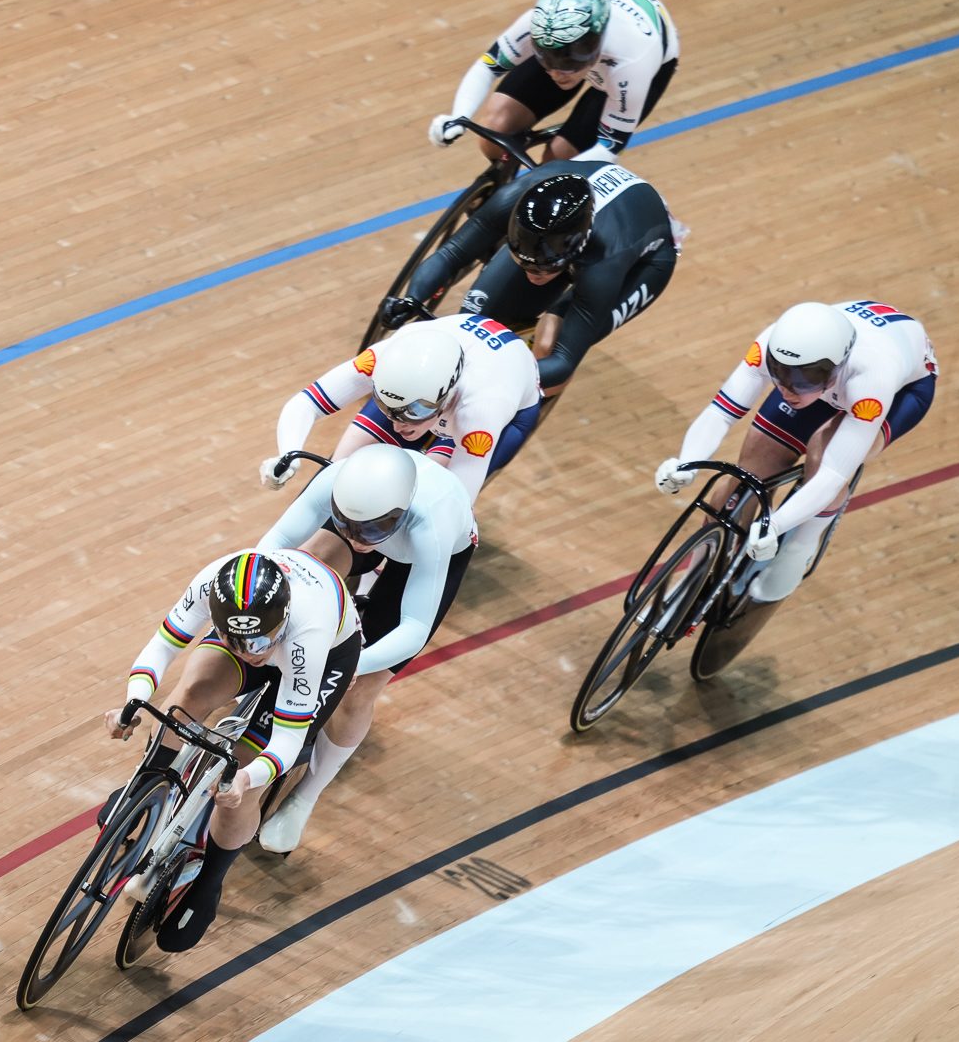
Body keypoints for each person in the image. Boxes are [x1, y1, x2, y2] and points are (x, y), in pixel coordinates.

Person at [106, 549, 360, 951]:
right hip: (265, 627)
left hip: (321, 658)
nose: (249, 652)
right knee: (188, 695)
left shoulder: (307, 632)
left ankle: (209, 882)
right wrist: (132, 700)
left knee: (242, 769)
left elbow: (287, 741)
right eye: (236, 640)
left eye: (258, 641)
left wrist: (246, 778)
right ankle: (148, 785)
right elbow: (162, 647)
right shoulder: (212, 584)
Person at [251, 444, 477, 855]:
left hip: (420, 559)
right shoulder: (338, 484)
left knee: (358, 689)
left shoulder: (433, 522)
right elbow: (277, 544)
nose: (357, 542)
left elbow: (413, 627)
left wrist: (355, 661)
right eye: (347, 525)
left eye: (369, 532)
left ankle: (305, 798)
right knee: (299, 569)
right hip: (373, 517)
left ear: (400, 513)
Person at [654, 299, 938, 604]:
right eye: (780, 374)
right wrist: (685, 463)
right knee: (752, 469)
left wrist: (775, 526)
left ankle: (801, 546)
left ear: (838, 364)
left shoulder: (872, 374)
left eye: (804, 380)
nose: (789, 390)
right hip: (834, 380)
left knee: (822, 451)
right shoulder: (770, 344)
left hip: (902, 391)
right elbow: (721, 412)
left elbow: (832, 474)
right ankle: (693, 580)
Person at [385, 161, 684, 404]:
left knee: (549, 341)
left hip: (646, 260)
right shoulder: (514, 199)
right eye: (522, 262)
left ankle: (521, 415)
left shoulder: (602, 264)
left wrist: (503, 375)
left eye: (541, 270)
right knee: (474, 317)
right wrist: (412, 298)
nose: (531, 275)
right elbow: (451, 254)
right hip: (576, 227)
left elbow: (564, 361)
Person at [261, 315, 542, 507]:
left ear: (446, 398)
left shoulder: (481, 410)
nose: (398, 426)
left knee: (413, 504)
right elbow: (306, 402)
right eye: (387, 408)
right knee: (332, 477)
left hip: (501, 410)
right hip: (428, 390)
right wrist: (288, 453)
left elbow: (454, 508)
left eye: (413, 412)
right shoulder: (387, 357)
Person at [427, 0, 679, 163]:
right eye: (547, 59)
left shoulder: (632, 61)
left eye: (570, 63)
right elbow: (486, 68)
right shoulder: (543, 27)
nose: (558, 73)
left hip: (644, 63)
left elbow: (609, 149)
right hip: (579, 41)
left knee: (558, 162)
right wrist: (458, 117)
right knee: (495, 129)